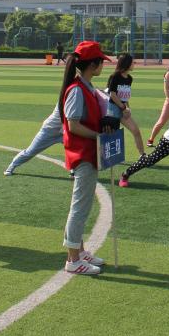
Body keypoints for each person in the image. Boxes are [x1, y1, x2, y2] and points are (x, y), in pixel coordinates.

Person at [57, 41, 113, 275]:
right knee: (80, 207)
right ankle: (72, 259)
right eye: (101, 62)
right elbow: (73, 125)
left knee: (83, 204)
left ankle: (79, 252)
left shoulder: (86, 86)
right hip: (82, 154)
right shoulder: (77, 89)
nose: (103, 65)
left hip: (89, 153)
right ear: (93, 64)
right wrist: (98, 136)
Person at [105, 53, 146, 155]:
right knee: (111, 135)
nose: (134, 64)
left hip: (123, 109)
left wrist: (128, 108)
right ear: (127, 63)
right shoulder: (115, 76)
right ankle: (106, 157)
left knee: (136, 131)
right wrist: (123, 108)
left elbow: (125, 97)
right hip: (113, 109)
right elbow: (112, 95)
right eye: (132, 62)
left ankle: (142, 155)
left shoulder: (129, 78)